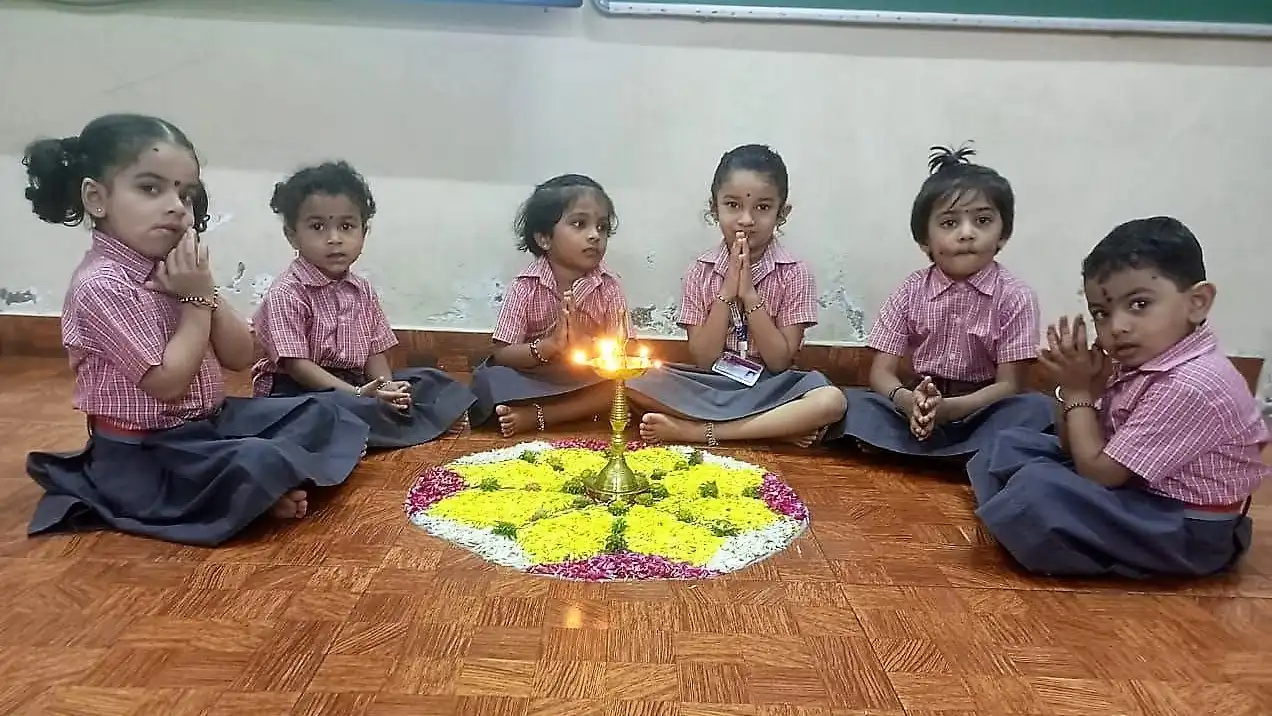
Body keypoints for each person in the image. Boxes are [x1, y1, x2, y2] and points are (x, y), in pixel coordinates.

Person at [21, 114, 370, 546]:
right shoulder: (102, 285)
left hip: (206, 427)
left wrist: (203, 290)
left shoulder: (179, 265)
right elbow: (167, 383)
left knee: (321, 409)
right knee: (256, 458)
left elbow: (242, 356)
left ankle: (252, 489)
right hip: (148, 453)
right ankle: (250, 493)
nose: (174, 206)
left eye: (185, 195)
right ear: (97, 197)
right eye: (150, 188)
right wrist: (194, 303)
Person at [968, 217, 1268, 577]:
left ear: (1197, 303)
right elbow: (1073, 449)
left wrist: (1077, 391)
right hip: (1137, 493)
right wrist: (1081, 390)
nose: (1117, 327)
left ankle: (1027, 519)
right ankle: (1017, 515)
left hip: (1187, 530)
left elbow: (1098, 475)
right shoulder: (1144, 361)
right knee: (1011, 440)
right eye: (1101, 313)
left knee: (1037, 489)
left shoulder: (1192, 383)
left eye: (1139, 304)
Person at [824, 144, 1052, 459]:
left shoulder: (1015, 296)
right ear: (924, 241)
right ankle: (958, 456)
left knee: (1038, 410)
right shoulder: (910, 290)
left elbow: (1010, 385)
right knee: (849, 402)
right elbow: (881, 373)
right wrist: (907, 401)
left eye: (983, 221)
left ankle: (914, 452)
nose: (967, 234)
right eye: (949, 223)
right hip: (916, 403)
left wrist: (952, 409)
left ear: (1003, 234)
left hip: (981, 411)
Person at [626, 144, 846, 447]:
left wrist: (750, 295)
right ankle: (776, 429)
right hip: (711, 382)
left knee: (831, 401)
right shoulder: (699, 271)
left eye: (763, 207)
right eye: (733, 205)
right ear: (714, 207)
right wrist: (728, 293)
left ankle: (699, 432)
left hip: (770, 386)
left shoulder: (795, 272)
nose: (746, 219)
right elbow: (703, 358)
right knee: (629, 379)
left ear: (783, 213)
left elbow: (780, 361)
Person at [251, 161, 475, 448]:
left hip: (356, 384)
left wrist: (385, 387)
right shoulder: (287, 292)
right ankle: (365, 430)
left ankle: (361, 431)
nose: (334, 239)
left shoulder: (362, 290)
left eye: (346, 226)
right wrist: (356, 395)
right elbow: (297, 366)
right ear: (291, 234)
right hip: (298, 391)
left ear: (363, 232)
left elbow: (374, 351)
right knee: (316, 414)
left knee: (430, 380)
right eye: (317, 227)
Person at [468, 174, 626, 437]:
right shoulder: (525, 286)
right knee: (489, 381)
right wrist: (549, 346)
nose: (594, 236)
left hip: (586, 380)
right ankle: (553, 410)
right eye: (579, 224)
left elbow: (623, 352)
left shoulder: (608, 287)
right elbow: (503, 353)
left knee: (633, 385)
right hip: (535, 378)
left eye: (602, 227)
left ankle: (538, 416)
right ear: (544, 238)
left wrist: (584, 344)